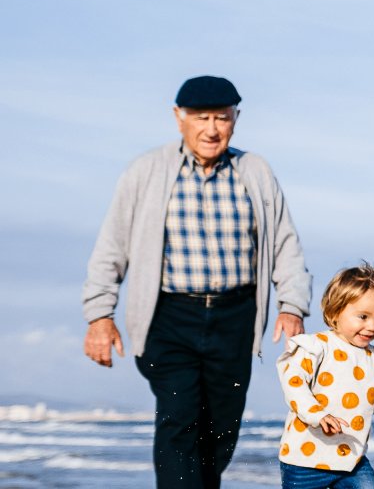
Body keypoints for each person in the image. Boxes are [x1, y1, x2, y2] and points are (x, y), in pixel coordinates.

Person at [81, 75, 313, 488]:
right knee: (179, 416)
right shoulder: (145, 171)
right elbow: (111, 246)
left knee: (220, 430)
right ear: (178, 118)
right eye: (201, 118)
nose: (211, 129)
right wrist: (100, 315)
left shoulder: (254, 171)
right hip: (168, 316)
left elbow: (284, 244)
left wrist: (292, 306)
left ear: (235, 120)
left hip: (236, 318)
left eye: (222, 118)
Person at [276, 263, 374, 488]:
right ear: (336, 311)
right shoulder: (317, 347)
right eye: (363, 316)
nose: (372, 326)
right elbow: (294, 383)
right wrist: (317, 414)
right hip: (304, 461)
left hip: (353, 462)